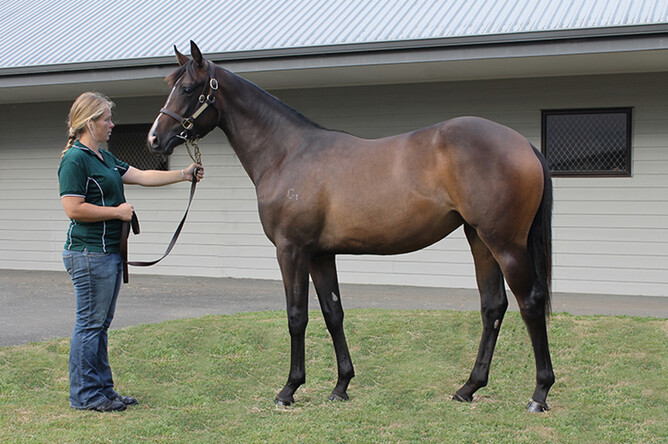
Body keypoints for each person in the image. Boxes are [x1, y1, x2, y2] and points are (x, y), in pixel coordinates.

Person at [57, 91, 204, 412]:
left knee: (100, 325)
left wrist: (183, 174)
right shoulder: (74, 159)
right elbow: (73, 208)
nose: (112, 124)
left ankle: (104, 391)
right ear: (89, 122)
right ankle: (85, 394)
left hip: (107, 253)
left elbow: (142, 175)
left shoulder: (104, 158)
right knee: (90, 325)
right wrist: (117, 212)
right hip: (87, 252)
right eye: (106, 119)